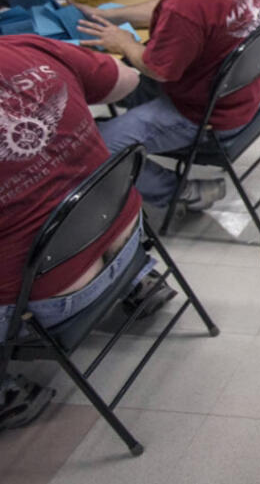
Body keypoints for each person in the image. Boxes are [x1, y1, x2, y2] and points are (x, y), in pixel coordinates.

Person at [77, 0, 260, 215]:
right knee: (127, 87)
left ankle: (182, 192)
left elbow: (160, 69)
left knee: (92, 148)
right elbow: (171, 8)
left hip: (207, 115)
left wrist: (125, 43)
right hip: (243, 92)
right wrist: (114, 15)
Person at [0, 37, 156, 430]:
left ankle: (6, 394)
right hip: (128, 236)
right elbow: (127, 80)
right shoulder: (25, 47)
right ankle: (140, 284)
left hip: (52, 297)